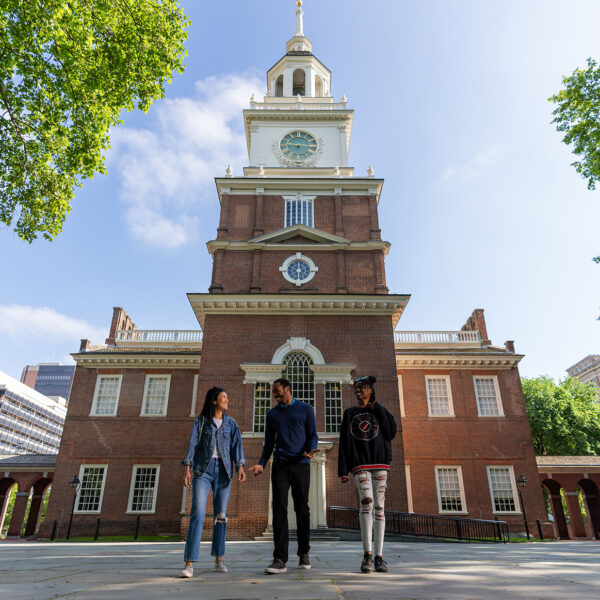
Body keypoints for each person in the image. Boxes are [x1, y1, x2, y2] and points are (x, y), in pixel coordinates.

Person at [249, 378, 318, 574]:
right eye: (274, 394)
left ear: (287, 389)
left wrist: (311, 450)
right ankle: (280, 559)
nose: (276, 396)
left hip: (301, 464)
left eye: (278, 392)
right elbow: (269, 443)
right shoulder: (273, 414)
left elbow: (312, 435)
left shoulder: (306, 409)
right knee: (279, 509)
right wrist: (261, 463)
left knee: (302, 509)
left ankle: (304, 553)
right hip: (280, 465)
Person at [180, 386, 246, 578]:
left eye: (227, 397)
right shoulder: (201, 422)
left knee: (221, 517)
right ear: (214, 401)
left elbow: (237, 447)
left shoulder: (231, 424)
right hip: (203, 470)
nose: (227, 400)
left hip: (224, 472)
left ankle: (219, 559)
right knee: (197, 514)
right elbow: (192, 444)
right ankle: (189, 564)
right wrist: (188, 469)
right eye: (223, 397)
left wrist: (240, 467)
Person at [338, 376, 397, 574]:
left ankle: (379, 557)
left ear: (370, 390)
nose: (358, 391)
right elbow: (345, 442)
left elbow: (390, 432)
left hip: (380, 463)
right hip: (360, 464)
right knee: (366, 504)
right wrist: (343, 470)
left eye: (362, 388)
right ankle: (367, 555)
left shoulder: (380, 410)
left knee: (379, 508)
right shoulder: (350, 413)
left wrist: (376, 408)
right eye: (356, 388)